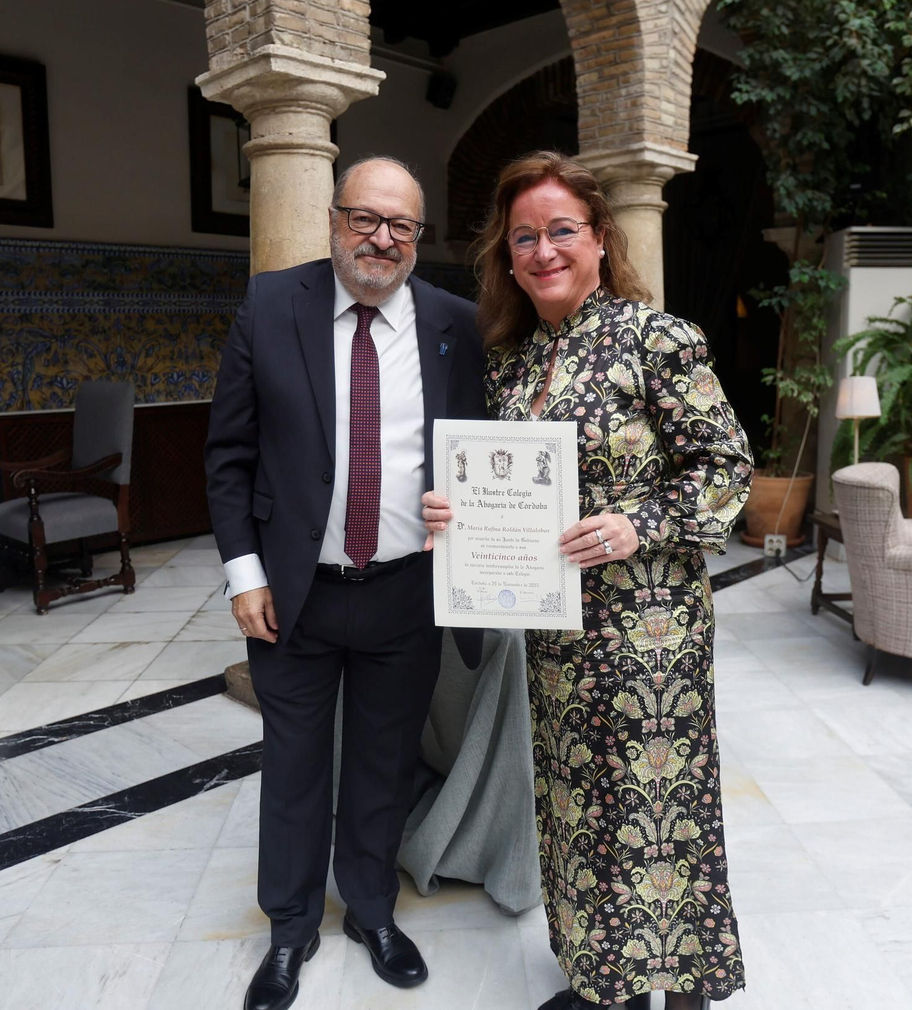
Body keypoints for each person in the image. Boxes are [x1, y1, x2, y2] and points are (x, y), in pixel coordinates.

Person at [423, 151, 752, 1009]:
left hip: (650, 631)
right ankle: (602, 978)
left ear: (601, 238)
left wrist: (637, 523)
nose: (542, 251)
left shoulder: (656, 337)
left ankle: (678, 986)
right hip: (554, 630)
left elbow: (725, 467)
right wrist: (455, 517)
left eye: (561, 231)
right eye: (523, 236)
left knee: (657, 806)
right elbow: (502, 486)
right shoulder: (511, 363)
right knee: (575, 808)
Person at [205, 156, 485, 1010]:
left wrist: (469, 516)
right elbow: (229, 456)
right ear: (333, 221)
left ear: (418, 238)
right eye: (365, 218)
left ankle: (371, 910)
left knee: (384, 762)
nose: (382, 238)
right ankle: (289, 929)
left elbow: (480, 455)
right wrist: (243, 573)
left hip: (405, 590)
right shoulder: (269, 305)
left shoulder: (456, 324)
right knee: (293, 764)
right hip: (295, 593)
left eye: (401, 225)